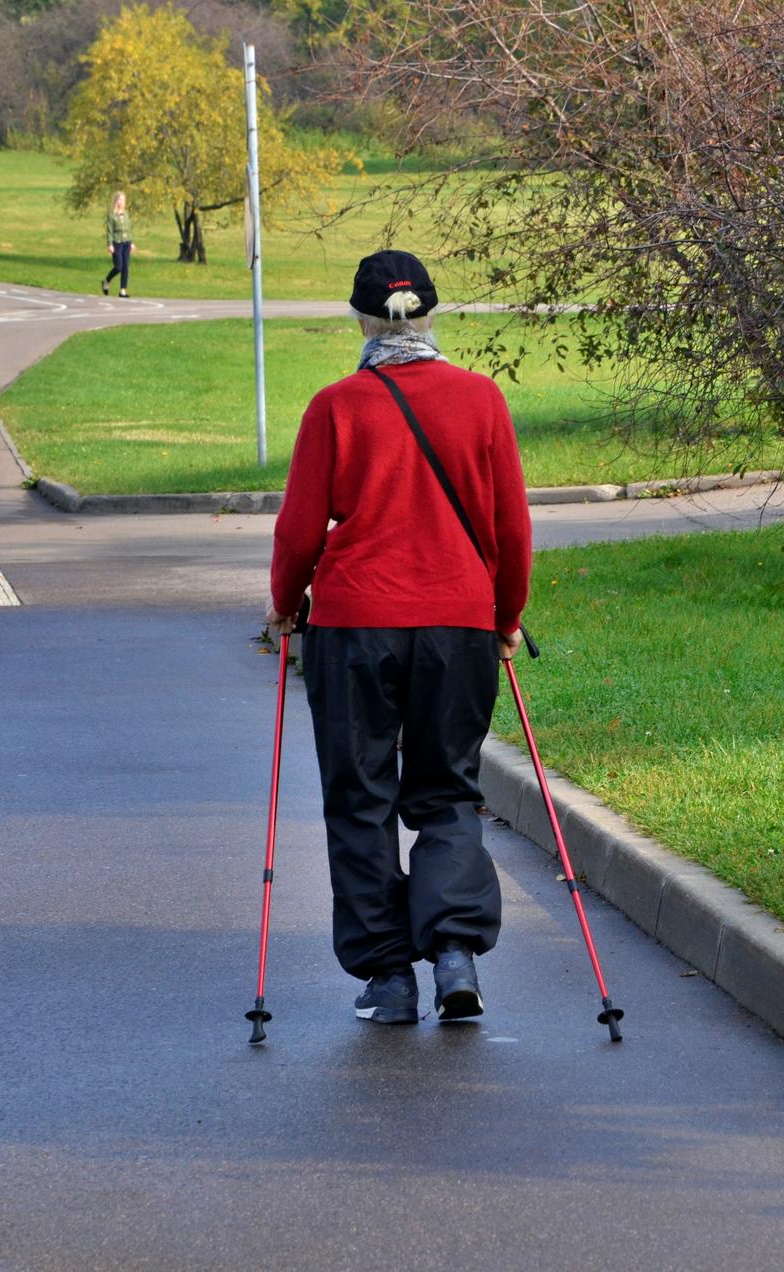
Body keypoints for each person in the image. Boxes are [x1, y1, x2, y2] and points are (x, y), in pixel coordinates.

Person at [266, 250, 532, 1026]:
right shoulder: (481, 400)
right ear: (431, 315)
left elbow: (298, 532)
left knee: (361, 795)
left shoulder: (335, 407)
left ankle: (388, 978)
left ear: (360, 320)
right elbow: (511, 528)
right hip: (459, 623)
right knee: (447, 787)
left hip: (354, 625)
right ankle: (453, 953)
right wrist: (506, 618)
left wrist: (284, 605)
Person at [102, 191, 134, 297]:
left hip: (126, 242)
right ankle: (106, 281)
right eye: (120, 199)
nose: (122, 202)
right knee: (118, 267)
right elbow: (109, 231)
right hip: (117, 243)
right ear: (116, 201)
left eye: (123, 200)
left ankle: (123, 290)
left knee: (126, 267)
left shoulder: (126, 213)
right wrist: (110, 244)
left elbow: (128, 229)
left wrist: (131, 242)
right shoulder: (112, 215)